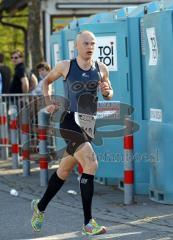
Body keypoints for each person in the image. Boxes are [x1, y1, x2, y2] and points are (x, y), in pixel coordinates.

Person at [31, 30, 113, 236]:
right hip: (70, 121)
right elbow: (47, 82)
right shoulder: (66, 66)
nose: (90, 47)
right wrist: (49, 103)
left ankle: (39, 207)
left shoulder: (101, 68)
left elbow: (108, 91)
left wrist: (106, 91)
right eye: (86, 43)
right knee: (91, 162)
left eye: (93, 43)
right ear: (77, 46)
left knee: (64, 170)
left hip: (88, 124)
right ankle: (88, 223)